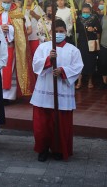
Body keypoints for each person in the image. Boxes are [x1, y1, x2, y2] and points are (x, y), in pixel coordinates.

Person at [30, 19, 83, 161]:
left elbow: (78, 67)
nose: (59, 34)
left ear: (66, 32)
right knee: (42, 125)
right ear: (51, 32)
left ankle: (59, 150)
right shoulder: (43, 47)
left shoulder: (73, 50)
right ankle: (42, 149)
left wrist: (62, 71)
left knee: (61, 125)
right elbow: (35, 64)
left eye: (62, 31)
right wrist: (48, 60)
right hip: (44, 90)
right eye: (56, 31)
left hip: (62, 91)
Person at [0, 0, 33, 100]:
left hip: (10, 45)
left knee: (10, 69)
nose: (7, 4)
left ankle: (9, 96)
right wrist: (0, 27)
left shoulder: (17, 11)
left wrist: (9, 28)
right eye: (5, 2)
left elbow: (21, 29)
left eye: (9, 2)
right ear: (0, 0)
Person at [76, 3, 101, 89]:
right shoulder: (78, 18)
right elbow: (76, 30)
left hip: (91, 42)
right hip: (82, 43)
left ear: (90, 11)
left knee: (91, 62)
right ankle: (79, 81)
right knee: (80, 61)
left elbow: (99, 29)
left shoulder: (94, 18)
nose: (85, 13)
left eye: (87, 12)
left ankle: (90, 80)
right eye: (84, 12)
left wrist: (93, 29)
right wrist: (73, 24)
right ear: (81, 11)